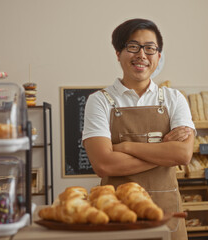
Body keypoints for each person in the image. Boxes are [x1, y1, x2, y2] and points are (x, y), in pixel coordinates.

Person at [82, 18, 195, 240]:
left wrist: (124, 147)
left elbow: (182, 154)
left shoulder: (174, 99)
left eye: (150, 48)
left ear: (158, 56)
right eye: (132, 47)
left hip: (167, 213)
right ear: (118, 53)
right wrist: (164, 152)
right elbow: (103, 164)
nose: (142, 55)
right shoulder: (99, 101)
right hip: (116, 213)